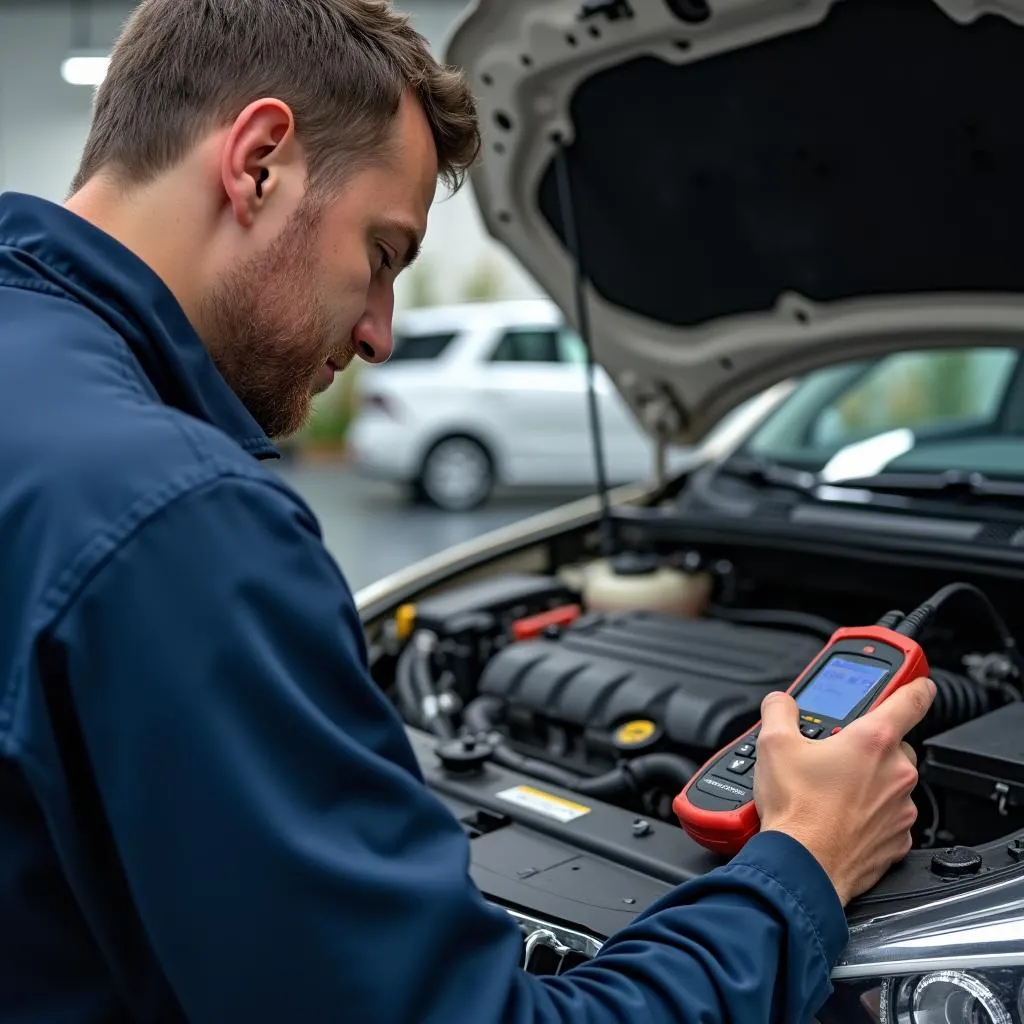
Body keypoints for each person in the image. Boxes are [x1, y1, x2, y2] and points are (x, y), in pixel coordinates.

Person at [0, 1, 934, 1021]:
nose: (381, 333)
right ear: (259, 161)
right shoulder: (176, 521)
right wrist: (798, 864)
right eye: (384, 253)